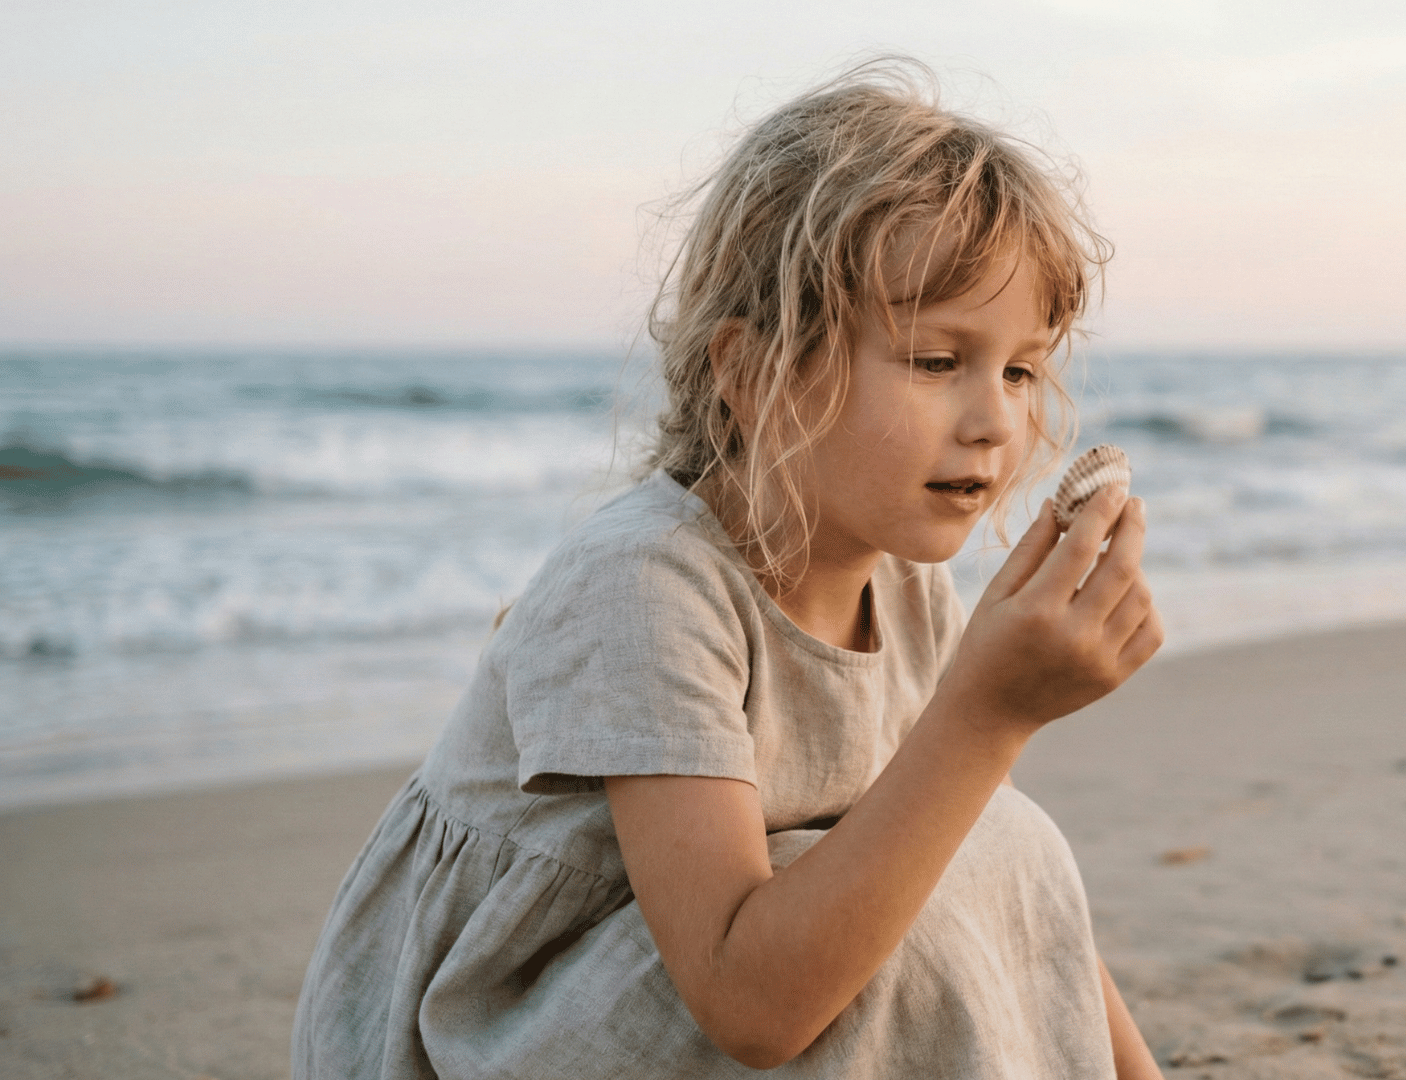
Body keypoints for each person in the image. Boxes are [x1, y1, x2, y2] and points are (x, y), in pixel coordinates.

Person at [292, 58, 1165, 1079]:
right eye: (938, 362)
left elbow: (1014, 901)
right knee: (894, 920)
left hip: (689, 979)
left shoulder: (904, 583)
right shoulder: (642, 589)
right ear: (754, 374)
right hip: (494, 1026)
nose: (998, 421)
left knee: (999, 842)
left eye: (1022, 370)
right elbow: (750, 1004)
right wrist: (988, 714)